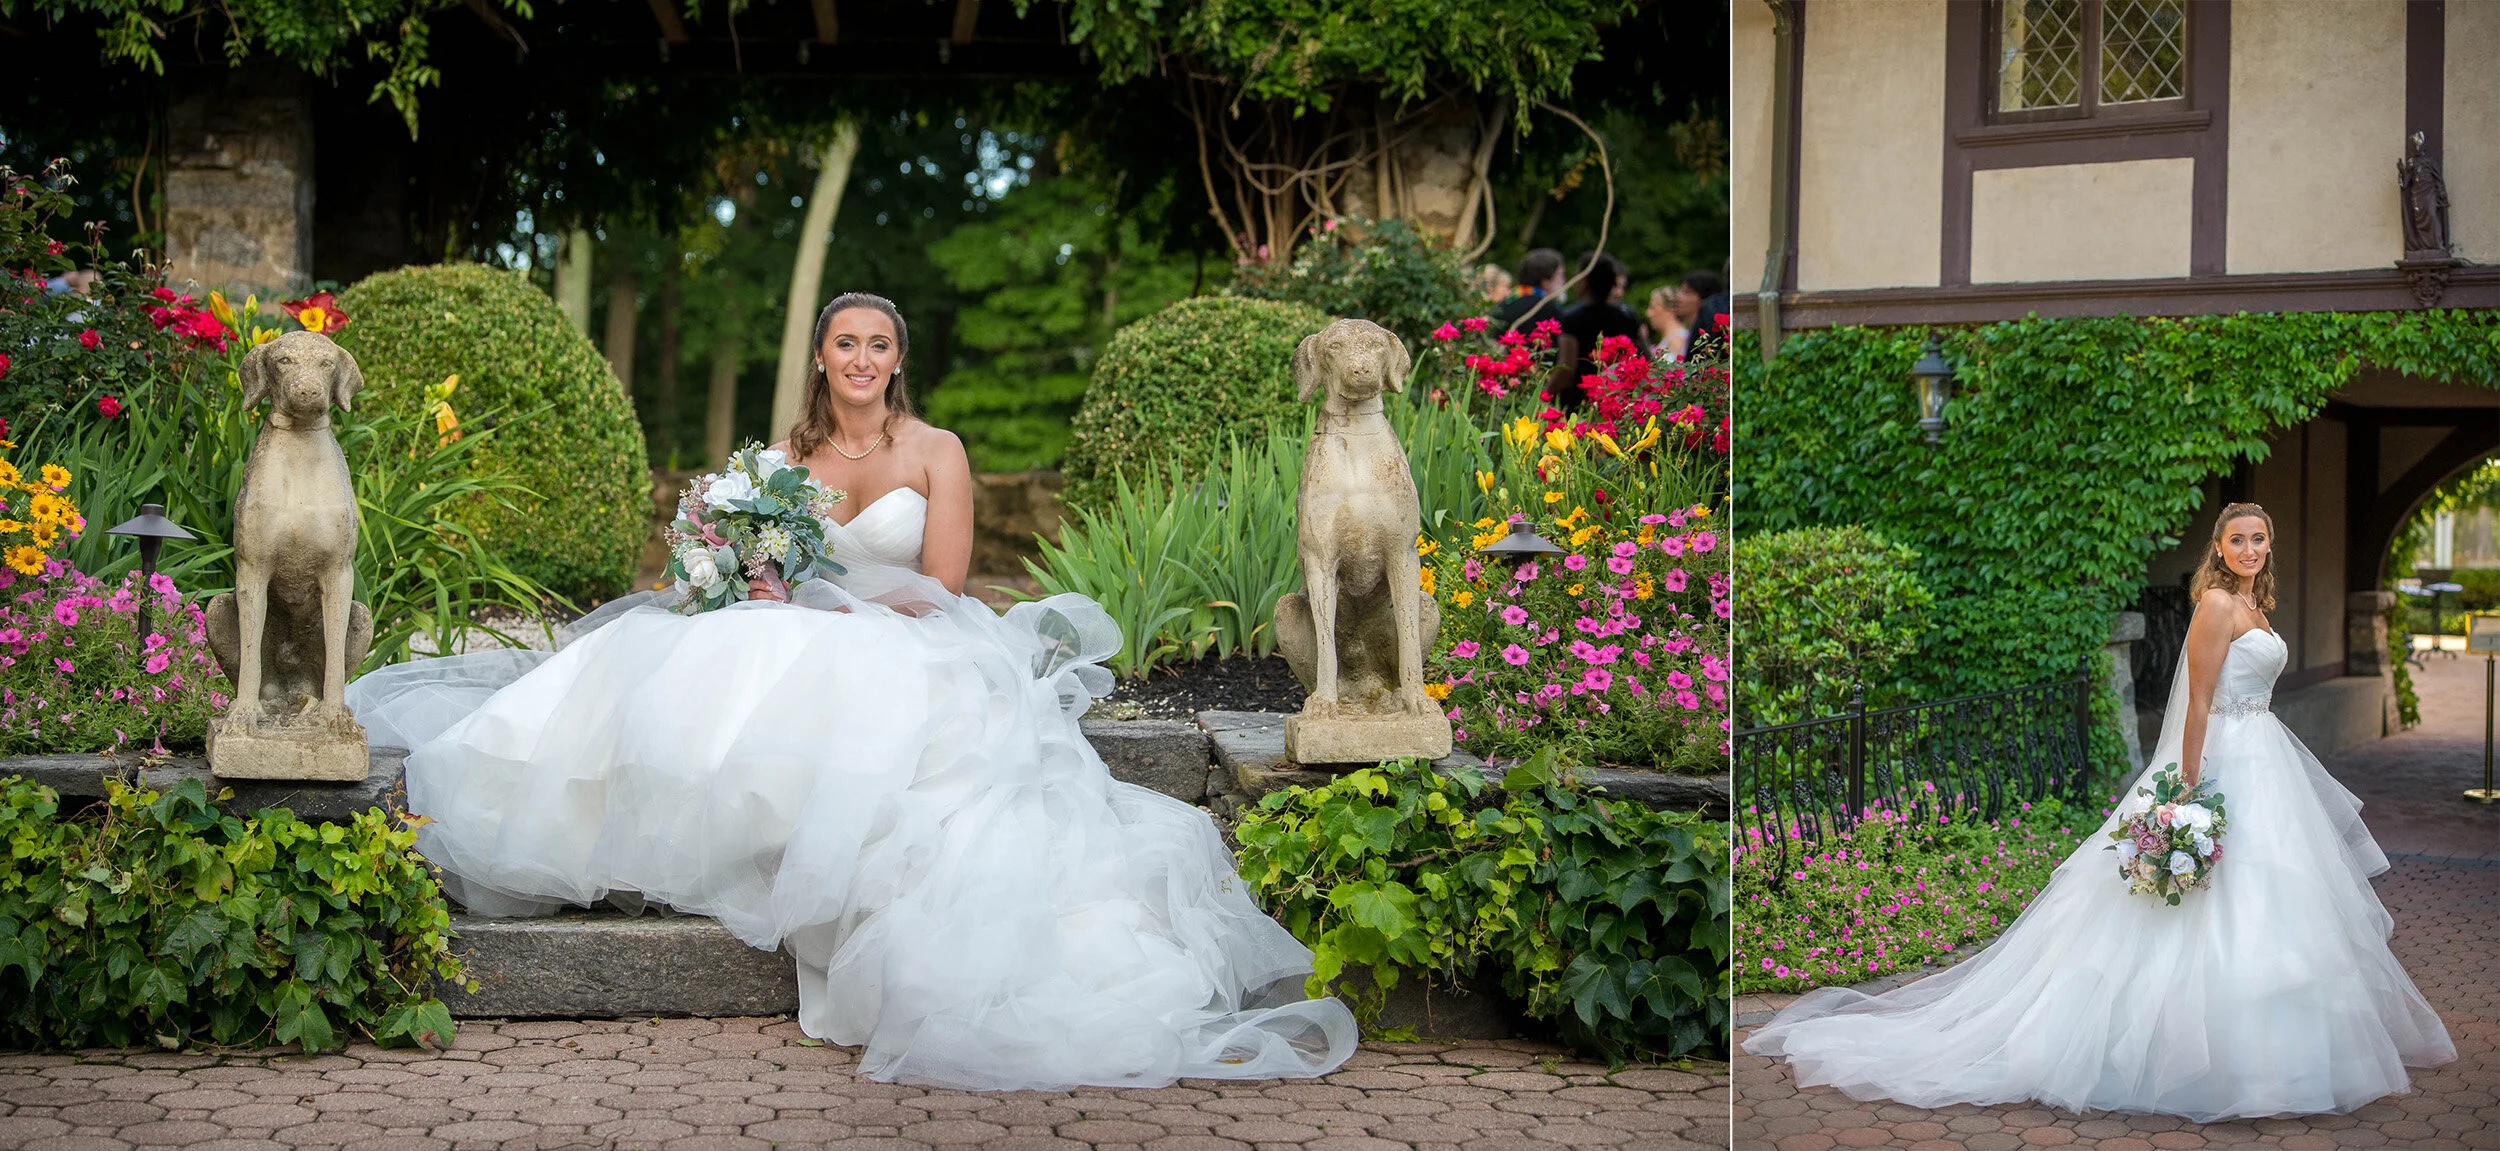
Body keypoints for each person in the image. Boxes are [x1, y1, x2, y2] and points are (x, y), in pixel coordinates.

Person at [345, 292, 1358, 1092]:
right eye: (845, 344)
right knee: (682, 655)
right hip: (793, 622)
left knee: (839, 681)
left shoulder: (937, 452)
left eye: (878, 344)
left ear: (896, 360)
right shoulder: (779, 460)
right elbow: (735, 553)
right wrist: (747, 575)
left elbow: (946, 584)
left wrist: (835, 599)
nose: (862, 359)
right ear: (822, 359)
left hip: (913, 635)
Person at [1744, 503, 2454, 1121]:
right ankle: (2181, 1058)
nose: (2248, 549)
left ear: (2268, 547)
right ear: (2218, 546)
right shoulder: (2215, 605)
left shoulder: (2255, 606)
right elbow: (2199, 699)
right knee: (2197, 907)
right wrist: (2190, 784)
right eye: (2237, 539)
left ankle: (2279, 1063)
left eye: (2258, 540)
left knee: (2272, 904)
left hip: (2267, 757)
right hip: (2222, 762)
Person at [1548, 252, 1643, 412]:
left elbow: (1567, 367)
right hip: (1618, 398)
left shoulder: (1572, 317)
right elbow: (1645, 354)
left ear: (1584, 281)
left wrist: (1545, 393)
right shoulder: (1627, 316)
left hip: (1579, 401)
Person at [1491, 247, 1566, 333]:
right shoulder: (1546, 308)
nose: (1563, 280)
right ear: (1546, 281)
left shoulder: (1507, 301)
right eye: (1560, 274)